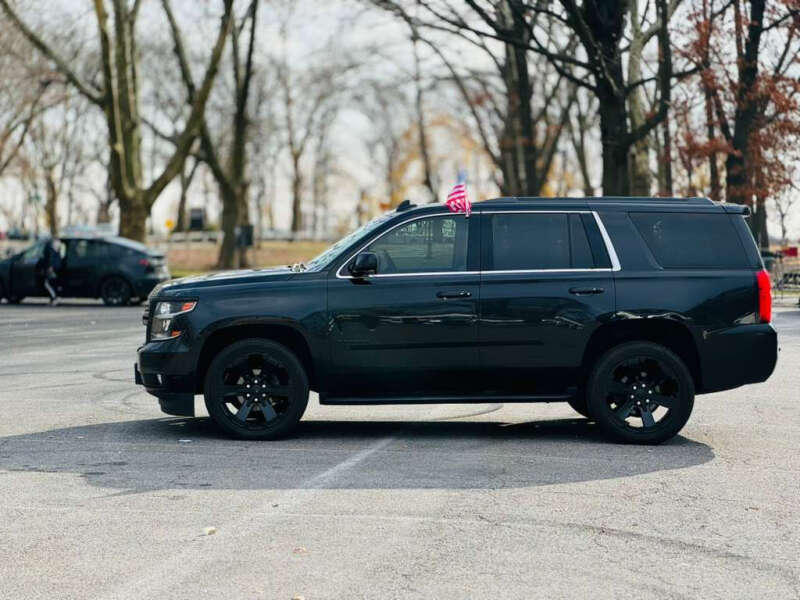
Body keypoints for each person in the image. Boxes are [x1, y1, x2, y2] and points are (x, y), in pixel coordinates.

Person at [41, 238, 63, 306]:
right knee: (53, 283)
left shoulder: (50, 244)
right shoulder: (59, 245)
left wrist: (50, 266)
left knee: (47, 283)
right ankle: (53, 299)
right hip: (57, 266)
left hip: (52, 267)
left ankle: (54, 298)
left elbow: (51, 256)